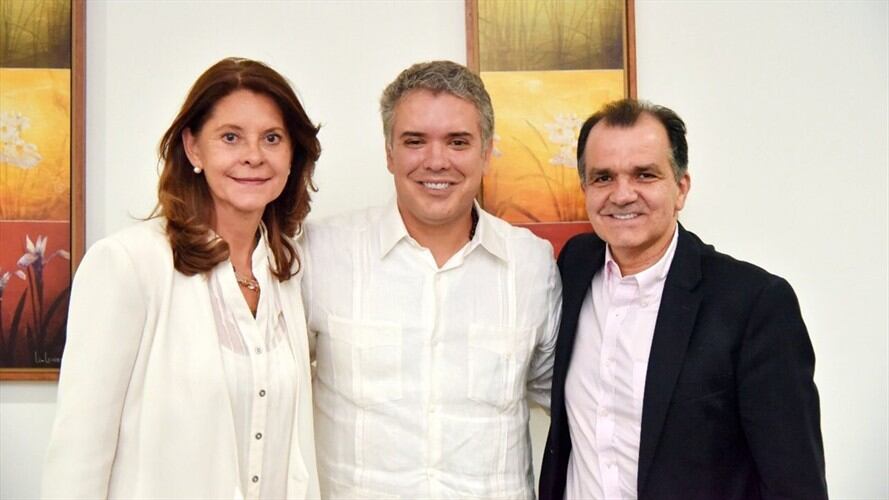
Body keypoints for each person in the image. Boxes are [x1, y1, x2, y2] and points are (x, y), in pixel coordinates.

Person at [42, 58, 321, 499]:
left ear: (292, 155)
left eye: (272, 138)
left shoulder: (286, 271)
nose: (253, 155)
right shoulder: (128, 264)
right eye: (230, 137)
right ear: (193, 149)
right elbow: (79, 453)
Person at [538, 99, 827, 500]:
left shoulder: (753, 304)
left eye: (644, 175)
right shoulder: (574, 266)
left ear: (681, 188)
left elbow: (794, 483)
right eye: (603, 178)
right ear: (585, 188)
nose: (622, 195)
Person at [301, 60, 561, 499]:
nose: (436, 161)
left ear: (486, 151)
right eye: (415, 141)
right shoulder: (321, 253)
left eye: (458, 141)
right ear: (389, 152)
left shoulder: (532, 263)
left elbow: (571, 399)